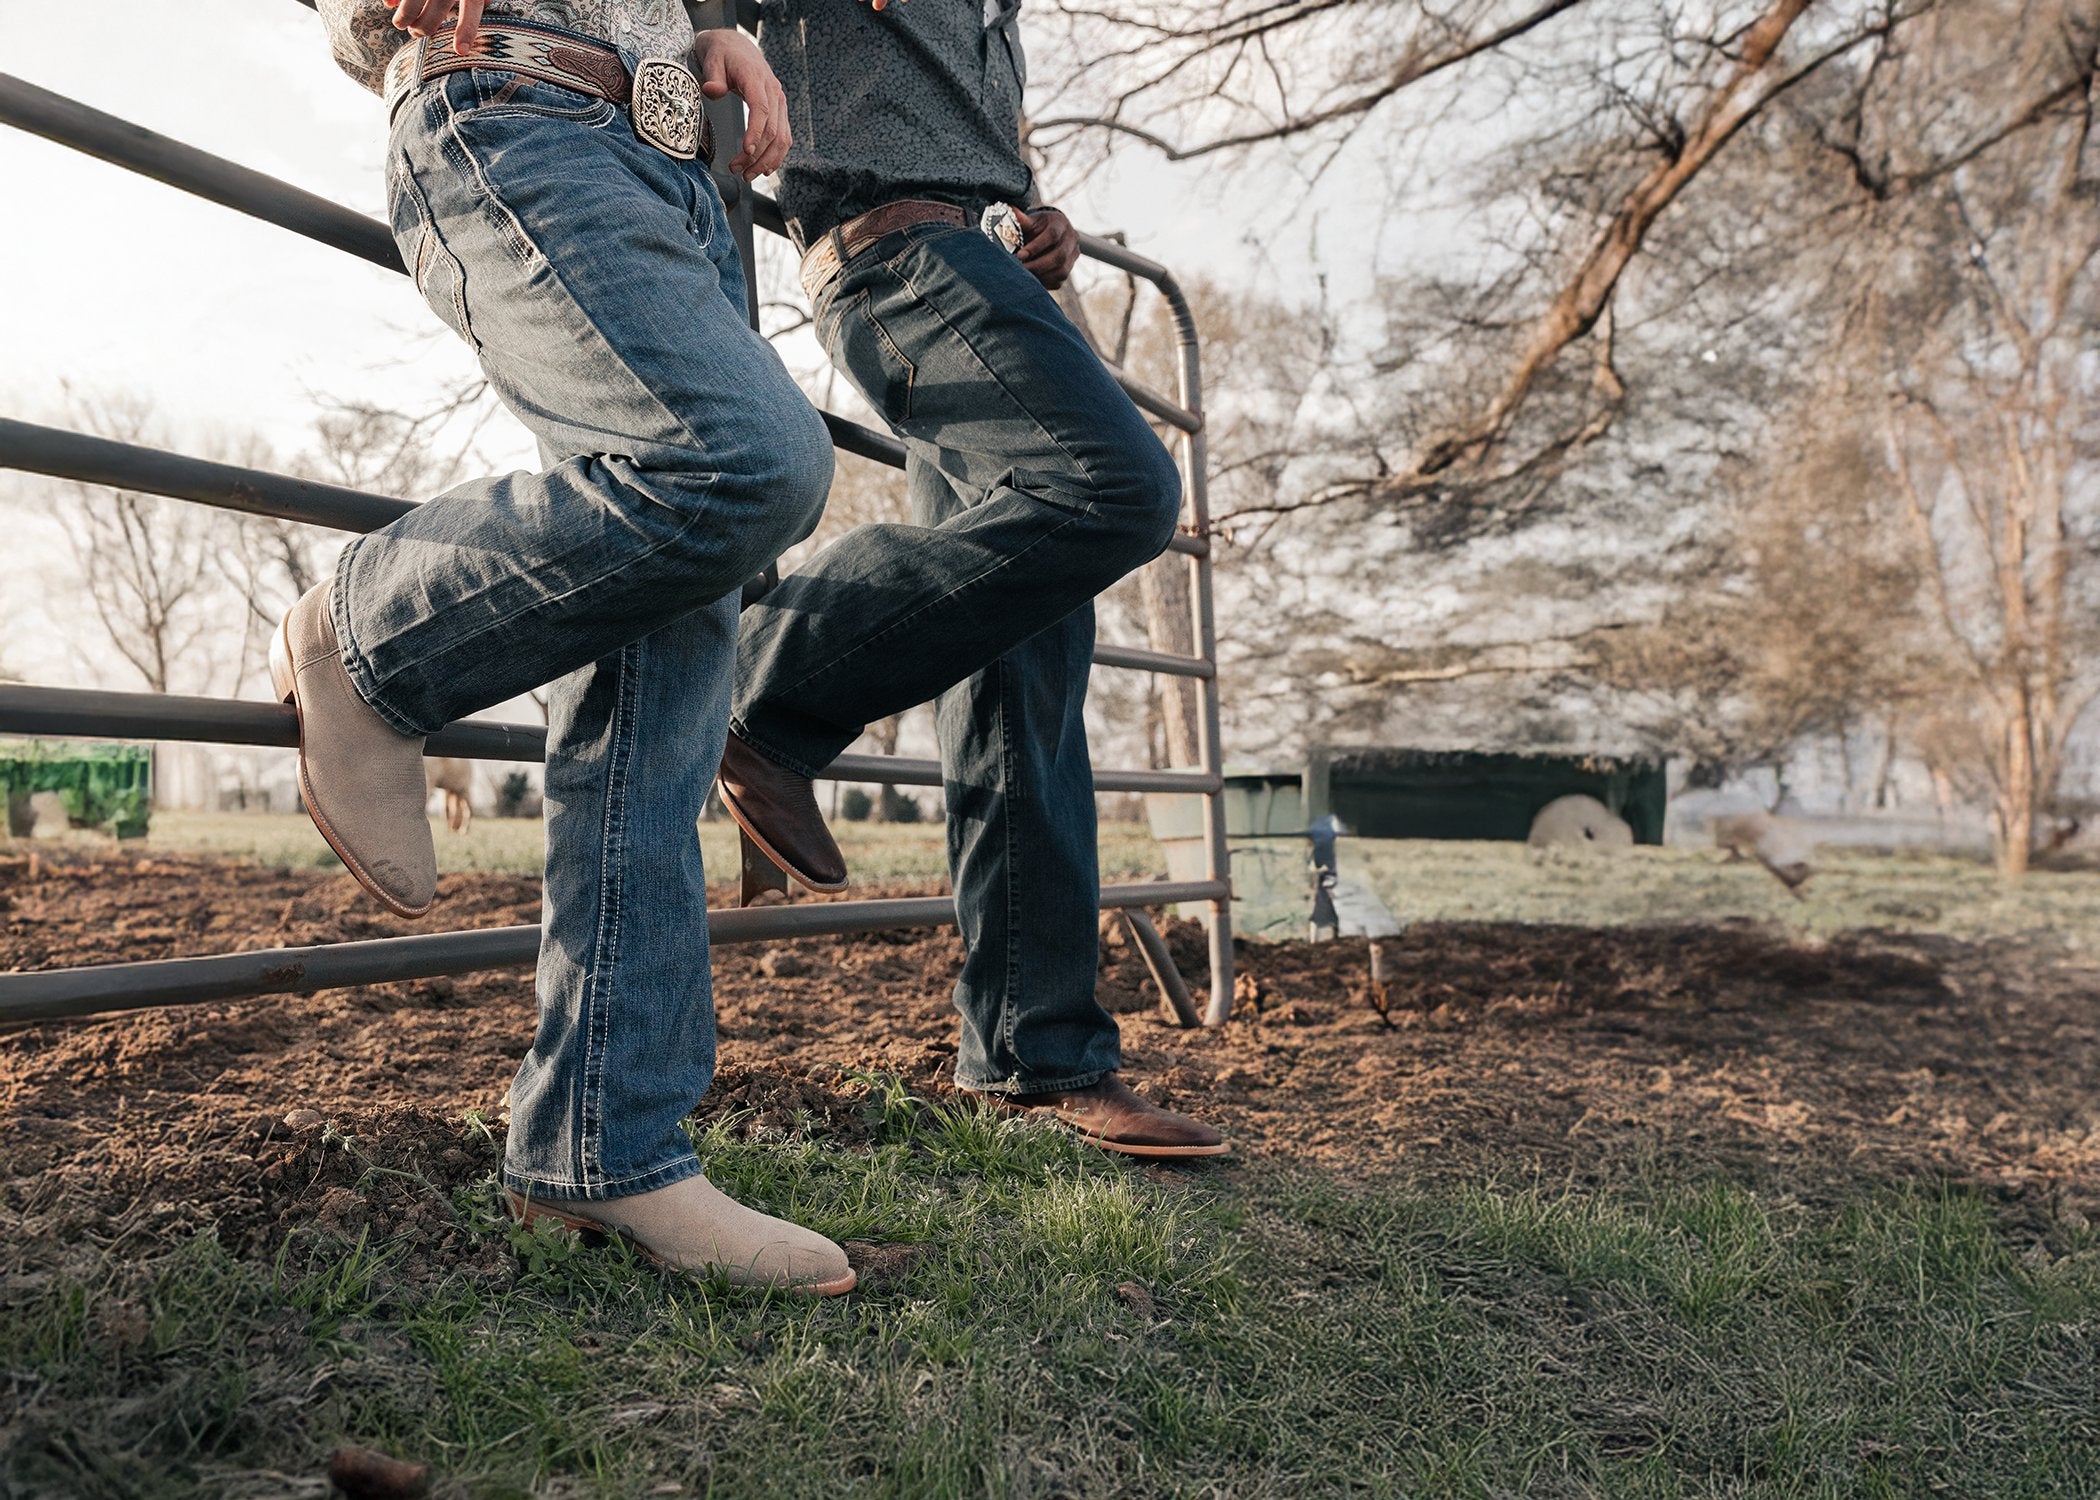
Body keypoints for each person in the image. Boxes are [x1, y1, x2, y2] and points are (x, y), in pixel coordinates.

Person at [302, 0, 855, 1291]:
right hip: (510, 105)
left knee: (662, 665)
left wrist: (709, 30)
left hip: (683, 169)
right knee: (745, 464)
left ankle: (604, 1144)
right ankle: (376, 631)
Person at [723, 0, 1228, 1158]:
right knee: (1123, 488)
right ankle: (766, 687)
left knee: (1025, 663)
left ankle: (1038, 1056)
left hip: (976, 257)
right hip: (895, 264)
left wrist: (1031, 216)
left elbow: (956, 135)